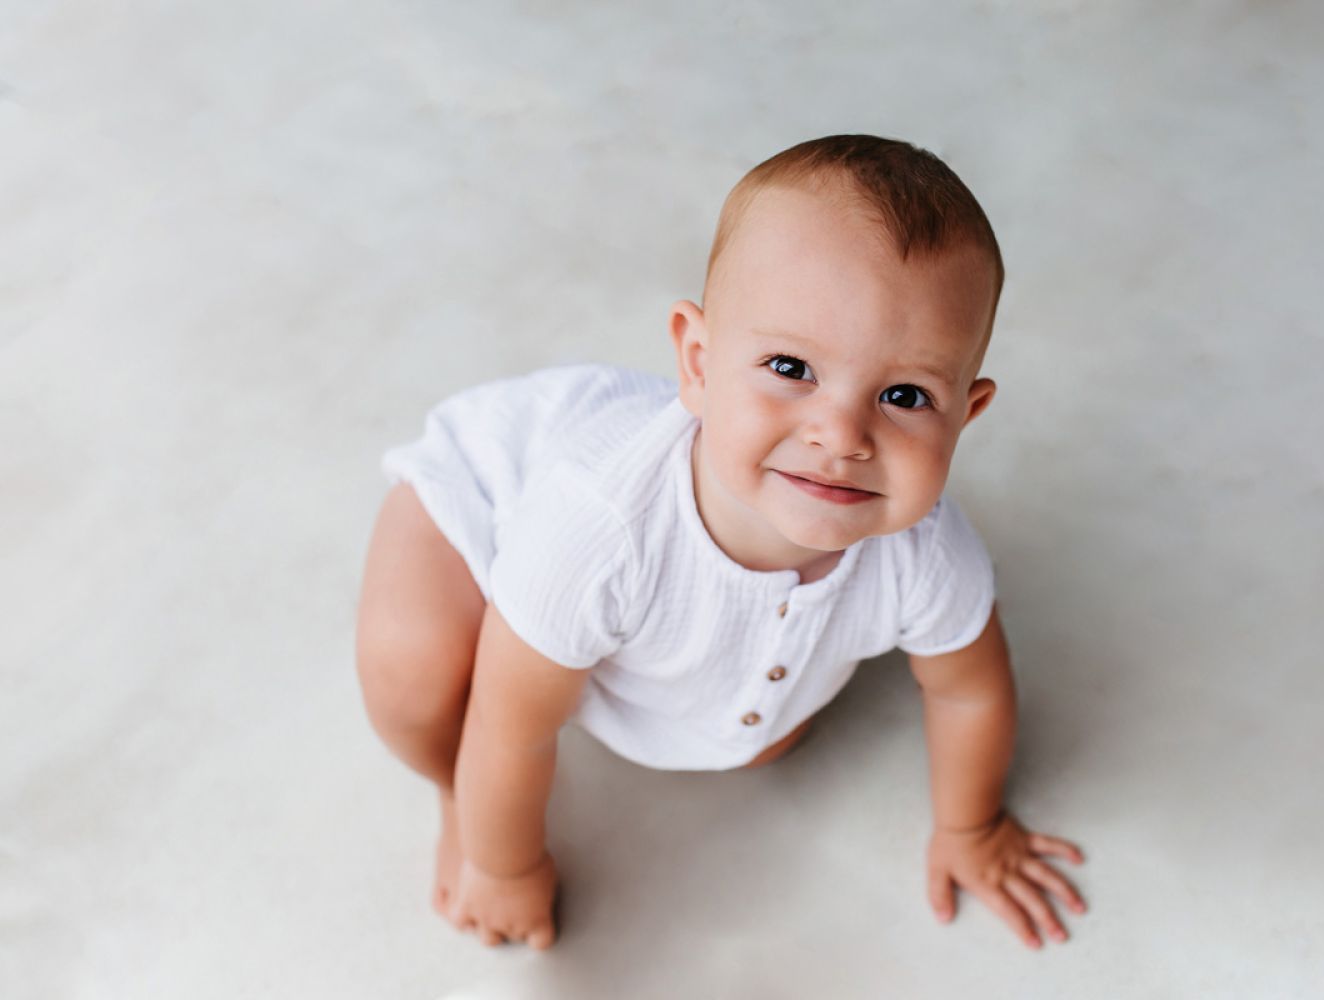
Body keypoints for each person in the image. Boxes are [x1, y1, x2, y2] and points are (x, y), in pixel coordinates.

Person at [355, 134, 1088, 952]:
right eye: (790, 367)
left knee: (756, 739)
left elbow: (968, 691)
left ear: (966, 414)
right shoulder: (598, 531)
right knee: (415, 676)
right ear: (698, 364)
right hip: (487, 497)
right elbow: (511, 725)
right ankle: (450, 791)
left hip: (606, 587)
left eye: (905, 394)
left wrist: (972, 827)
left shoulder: (926, 554)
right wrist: (505, 867)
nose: (840, 435)